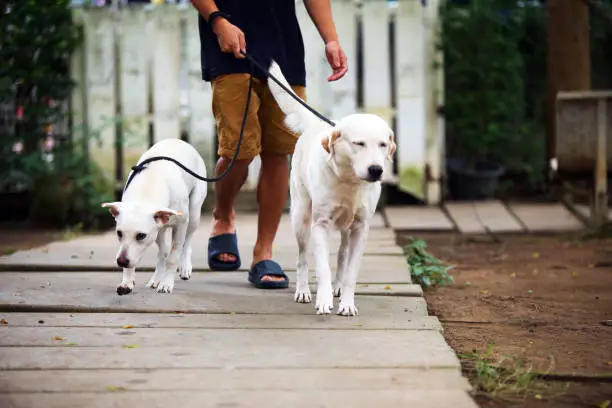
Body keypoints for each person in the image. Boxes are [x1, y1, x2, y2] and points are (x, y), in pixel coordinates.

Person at [191, 0, 347, 289]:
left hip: (283, 49)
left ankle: (264, 252)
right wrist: (216, 21)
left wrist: (331, 39)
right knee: (238, 151)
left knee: (279, 153)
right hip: (229, 44)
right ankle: (223, 216)